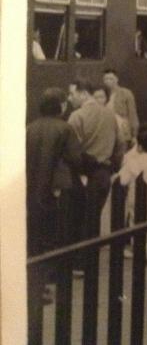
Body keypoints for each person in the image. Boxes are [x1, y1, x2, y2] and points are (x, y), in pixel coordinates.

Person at [27, 88, 83, 298]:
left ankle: (35, 284)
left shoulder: (30, 127)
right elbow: (75, 159)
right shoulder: (65, 128)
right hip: (56, 190)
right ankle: (50, 278)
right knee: (56, 233)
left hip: (33, 188)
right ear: (60, 106)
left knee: (35, 234)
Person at [67, 79, 124, 247]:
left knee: (79, 216)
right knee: (94, 215)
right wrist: (114, 166)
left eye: (72, 94)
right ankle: (91, 257)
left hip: (83, 174)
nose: (70, 98)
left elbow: (71, 149)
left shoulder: (76, 116)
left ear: (84, 93)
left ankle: (80, 262)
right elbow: (120, 144)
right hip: (104, 172)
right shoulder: (110, 114)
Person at [116, 129, 147, 260]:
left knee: (134, 223)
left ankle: (139, 248)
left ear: (140, 147)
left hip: (135, 198)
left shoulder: (132, 162)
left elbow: (122, 180)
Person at [103, 69, 140, 148]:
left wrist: (134, 135)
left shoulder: (126, 93)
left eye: (111, 78)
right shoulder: (102, 94)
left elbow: (132, 114)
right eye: (106, 79)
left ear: (117, 79)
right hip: (107, 131)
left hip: (122, 130)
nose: (108, 81)